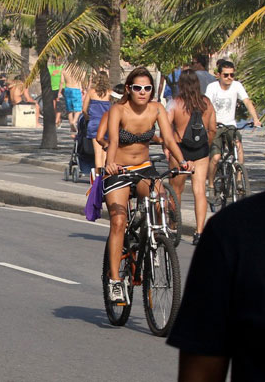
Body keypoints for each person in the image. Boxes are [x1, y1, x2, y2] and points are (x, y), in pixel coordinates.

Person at [103, 67, 194, 303]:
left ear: (152, 90)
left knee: (159, 198)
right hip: (119, 170)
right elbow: (112, 141)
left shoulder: (157, 109)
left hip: (143, 169)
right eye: (137, 88)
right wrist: (110, 164)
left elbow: (170, 139)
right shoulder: (118, 110)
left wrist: (183, 162)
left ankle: (154, 240)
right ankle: (114, 280)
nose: (142, 92)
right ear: (128, 89)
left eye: (147, 88)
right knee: (119, 222)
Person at [166, 191, 265, 381]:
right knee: (119, 222)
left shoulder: (232, 228)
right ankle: (115, 278)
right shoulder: (234, 230)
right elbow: (201, 371)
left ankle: (194, 228)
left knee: (195, 186)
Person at [166, 70, 216, 245]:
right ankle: (199, 231)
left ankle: (174, 225)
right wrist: (205, 145)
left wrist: (168, 147)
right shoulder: (206, 103)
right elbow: (212, 129)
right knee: (199, 191)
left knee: (175, 191)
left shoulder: (175, 103)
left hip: (180, 150)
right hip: (200, 151)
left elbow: (166, 129)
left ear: (181, 84)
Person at [205, 60, 261, 202]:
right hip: (215, 125)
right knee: (216, 158)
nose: (230, 78)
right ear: (219, 75)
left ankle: (239, 178)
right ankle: (211, 185)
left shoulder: (237, 86)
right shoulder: (212, 88)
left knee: (238, 146)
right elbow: (206, 107)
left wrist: (256, 119)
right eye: (226, 75)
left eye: (232, 75)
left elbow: (247, 101)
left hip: (230, 125)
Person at [82, 71, 112, 173]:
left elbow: (84, 109)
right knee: (106, 150)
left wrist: (87, 117)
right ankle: (105, 175)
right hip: (107, 124)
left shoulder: (91, 92)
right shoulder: (110, 93)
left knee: (98, 153)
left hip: (94, 123)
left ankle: (98, 176)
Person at [62, 68, 84, 132]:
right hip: (76, 89)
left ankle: (71, 125)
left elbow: (62, 82)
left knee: (69, 110)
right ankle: (73, 122)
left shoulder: (64, 70)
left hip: (68, 89)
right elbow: (82, 80)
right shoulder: (79, 70)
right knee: (78, 109)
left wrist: (59, 91)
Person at [48, 58, 64, 126]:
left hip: (61, 88)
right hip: (52, 88)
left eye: (60, 59)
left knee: (59, 105)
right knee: (54, 106)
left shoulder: (63, 67)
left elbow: (62, 81)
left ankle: (56, 121)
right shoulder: (50, 67)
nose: (59, 61)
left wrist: (60, 92)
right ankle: (58, 119)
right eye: (57, 59)